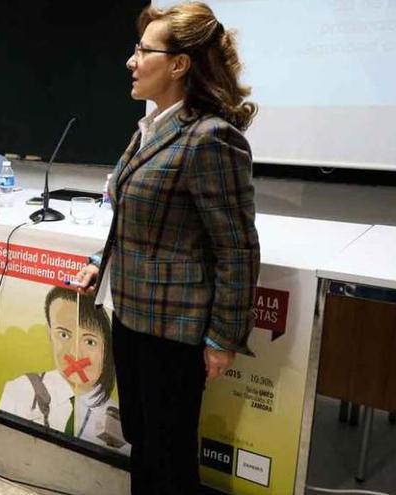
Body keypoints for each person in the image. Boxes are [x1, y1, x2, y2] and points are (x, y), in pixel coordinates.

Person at [75, 3, 260, 494]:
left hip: (174, 329)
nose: (131, 60)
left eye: (143, 50)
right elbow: (135, 220)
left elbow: (237, 249)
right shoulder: (152, 129)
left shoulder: (210, 138)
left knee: (170, 452)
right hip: (131, 315)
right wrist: (102, 262)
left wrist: (223, 338)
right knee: (142, 438)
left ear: (179, 64)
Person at [0, 287, 125, 450]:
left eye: (89, 341)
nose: (75, 353)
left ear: (107, 346)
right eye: (64, 335)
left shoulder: (120, 419)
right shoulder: (20, 390)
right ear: (49, 333)